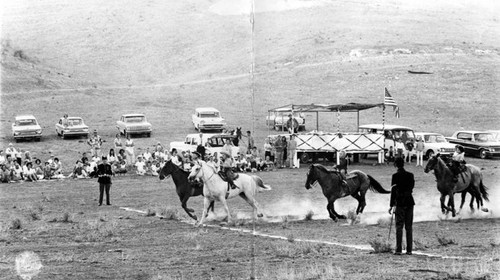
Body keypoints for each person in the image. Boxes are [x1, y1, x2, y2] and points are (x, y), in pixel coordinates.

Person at [388, 157, 415, 255]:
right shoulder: (410, 175)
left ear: (395, 165)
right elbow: (411, 188)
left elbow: (393, 191)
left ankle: (398, 249)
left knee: (399, 226)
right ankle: (409, 250)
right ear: (403, 164)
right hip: (410, 201)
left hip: (400, 202)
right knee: (409, 226)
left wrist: (391, 205)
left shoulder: (395, 176)